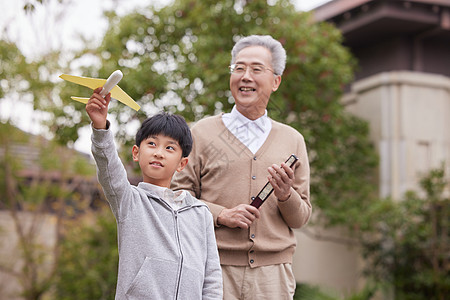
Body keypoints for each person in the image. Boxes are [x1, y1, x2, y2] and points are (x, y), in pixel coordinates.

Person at [171, 35, 311, 299]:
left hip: (274, 276)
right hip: (213, 268)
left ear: (276, 81)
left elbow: (301, 217)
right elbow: (177, 197)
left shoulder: (292, 139)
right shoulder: (202, 132)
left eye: (257, 69)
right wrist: (220, 214)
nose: (246, 76)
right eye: (239, 68)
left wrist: (285, 195)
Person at [86, 87, 223, 300]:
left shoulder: (200, 212)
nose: (159, 152)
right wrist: (100, 127)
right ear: (136, 153)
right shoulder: (129, 201)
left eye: (170, 148)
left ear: (182, 163)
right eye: (152, 144)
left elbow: (212, 277)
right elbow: (108, 167)